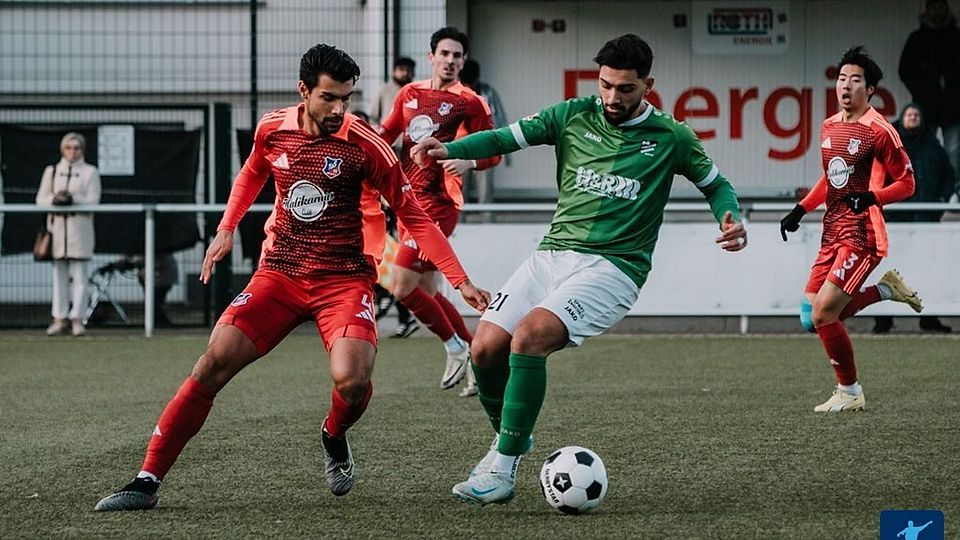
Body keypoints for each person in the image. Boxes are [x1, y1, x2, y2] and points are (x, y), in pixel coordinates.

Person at [93, 43, 489, 512]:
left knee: (352, 381)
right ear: (303, 91)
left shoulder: (365, 143)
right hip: (279, 274)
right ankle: (147, 479)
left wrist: (460, 280)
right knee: (211, 363)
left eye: (346, 98)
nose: (339, 109)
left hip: (342, 280)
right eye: (329, 98)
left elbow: (416, 217)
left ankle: (333, 434)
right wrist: (225, 230)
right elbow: (250, 174)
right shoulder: (272, 129)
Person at [412, 34, 748, 505]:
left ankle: (504, 470)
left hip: (614, 268)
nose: (612, 97)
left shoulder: (672, 137)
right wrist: (448, 149)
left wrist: (730, 219)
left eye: (625, 89)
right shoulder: (572, 115)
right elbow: (507, 138)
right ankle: (510, 438)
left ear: (648, 85)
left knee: (528, 337)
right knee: (485, 348)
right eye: (606, 85)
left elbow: (718, 187)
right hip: (551, 255)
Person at [780, 47, 922, 413]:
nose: (845, 86)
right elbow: (832, 178)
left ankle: (850, 391)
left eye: (855, 80)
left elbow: (908, 184)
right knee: (809, 317)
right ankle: (885, 290)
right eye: (841, 78)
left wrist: (873, 197)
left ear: (870, 89)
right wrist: (800, 209)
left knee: (825, 315)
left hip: (863, 234)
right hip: (833, 232)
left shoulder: (880, 131)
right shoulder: (829, 126)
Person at [379, 27, 501, 393]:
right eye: (444, 54)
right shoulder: (409, 93)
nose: (450, 61)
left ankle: (456, 346)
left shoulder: (471, 102)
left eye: (457, 56)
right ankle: (478, 356)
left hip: (439, 203)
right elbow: (385, 136)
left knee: (400, 285)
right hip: (406, 201)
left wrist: (469, 163)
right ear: (431, 57)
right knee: (428, 291)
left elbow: (494, 150)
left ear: (464, 61)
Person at [873, 104, 955, 334]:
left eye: (916, 115)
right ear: (902, 118)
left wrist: (940, 201)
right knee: (891, 269)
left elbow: (949, 176)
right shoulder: (890, 146)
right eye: (909, 114)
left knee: (928, 269)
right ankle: (883, 319)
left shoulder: (934, 147)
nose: (913, 118)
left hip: (926, 221)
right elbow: (878, 178)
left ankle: (929, 318)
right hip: (896, 220)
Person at [36, 132, 101, 337]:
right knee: (59, 276)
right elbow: (41, 199)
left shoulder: (90, 172)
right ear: (62, 150)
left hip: (79, 232)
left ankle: (77, 319)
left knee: (80, 276)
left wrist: (74, 200)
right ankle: (59, 318)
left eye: (77, 148)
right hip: (56, 233)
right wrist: (55, 200)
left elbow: (93, 200)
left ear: (83, 150)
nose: (73, 152)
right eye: (69, 148)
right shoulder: (52, 171)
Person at [899, 0, 960, 180]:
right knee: (924, 148)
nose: (938, 11)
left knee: (954, 150)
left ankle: (953, 190)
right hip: (926, 106)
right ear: (927, 11)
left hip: (955, 106)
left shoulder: (957, 36)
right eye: (934, 7)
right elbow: (905, 70)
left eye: (941, 6)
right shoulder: (917, 38)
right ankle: (924, 188)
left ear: (947, 9)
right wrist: (921, 93)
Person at [459, 58, 510, 208]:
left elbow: (500, 118)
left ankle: (487, 227)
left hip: (484, 147)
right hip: (459, 148)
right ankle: (458, 228)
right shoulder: (453, 92)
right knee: (458, 193)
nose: (469, 86)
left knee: (485, 193)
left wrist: (505, 148)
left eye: (472, 83)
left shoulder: (488, 93)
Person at [371, 57, 415, 128]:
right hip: (387, 135)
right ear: (394, 71)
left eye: (408, 70)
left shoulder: (417, 91)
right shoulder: (384, 90)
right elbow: (374, 117)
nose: (405, 73)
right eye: (401, 69)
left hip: (411, 135)